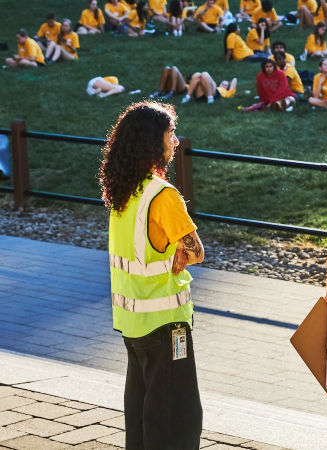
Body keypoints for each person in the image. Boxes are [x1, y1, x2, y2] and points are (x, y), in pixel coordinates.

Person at [99, 102, 203, 450]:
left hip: (132, 323)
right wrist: (179, 250)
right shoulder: (163, 195)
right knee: (177, 419)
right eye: (170, 134)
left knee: (143, 416)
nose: (175, 141)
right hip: (166, 324)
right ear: (152, 142)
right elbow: (197, 252)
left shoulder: (124, 192)